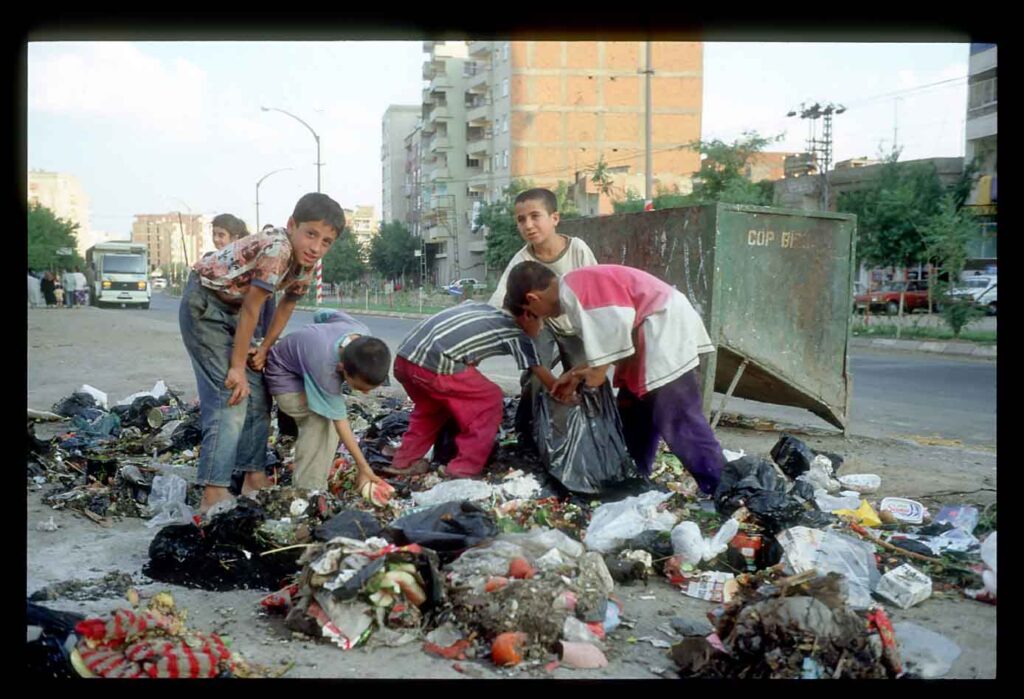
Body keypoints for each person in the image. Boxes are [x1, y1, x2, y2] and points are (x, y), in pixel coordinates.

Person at [179, 192, 343, 513]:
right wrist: (237, 366)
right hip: (205, 305)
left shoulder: (305, 262)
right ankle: (213, 491)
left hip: (235, 312)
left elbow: (287, 304)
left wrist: (264, 348)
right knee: (232, 395)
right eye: (311, 234)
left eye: (325, 242)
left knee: (258, 395)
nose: (316, 247)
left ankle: (252, 476)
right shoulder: (278, 249)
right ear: (292, 225)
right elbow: (254, 307)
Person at [505, 261, 724, 495]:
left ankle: (721, 486)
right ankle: (632, 478)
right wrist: (575, 374)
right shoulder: (575, 289)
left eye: (531, 314)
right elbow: (605, 343)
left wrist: (593, 382)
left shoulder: (574, 290)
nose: (539, 318)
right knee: (634, 413)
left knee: (678, 417)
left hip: (662, 328)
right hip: (650, 334)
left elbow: (615, 328)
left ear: (532, 299)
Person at [386, 300, 554, 479]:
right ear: (527, 315)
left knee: (431, 409)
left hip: (404, 359)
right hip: (433, 365)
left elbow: (465, 346)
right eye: (543, 321)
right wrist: (565, 390)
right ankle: (464, 467)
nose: (543, 327)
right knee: (489, 400)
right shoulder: (517, 334)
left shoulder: (482, 307)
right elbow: (543, 376)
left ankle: (404, 461)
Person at [487, 188, 598, 449]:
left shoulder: (577, 250)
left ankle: (593, 434)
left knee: (587, 378)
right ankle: (528, 435)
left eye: (535, 216)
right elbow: (499, 302)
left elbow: (594, 293)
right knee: (536, 376)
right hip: (543, 324)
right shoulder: (521, 260)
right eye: (521, 219)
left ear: (555, 218)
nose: (528, 225)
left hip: (577, 326)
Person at [264, 309, 394, 494]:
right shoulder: (327, 369)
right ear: (342, 369)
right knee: (322, 423)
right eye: (359, 387)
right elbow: (339, 420)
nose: (365, 392)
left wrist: (314, 338)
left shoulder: (359, 331)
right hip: (283, 375)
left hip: (304, 366)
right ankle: (308, 490)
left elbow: (323, 314)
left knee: (329, 417)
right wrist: (363, 467)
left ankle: (314, 468)